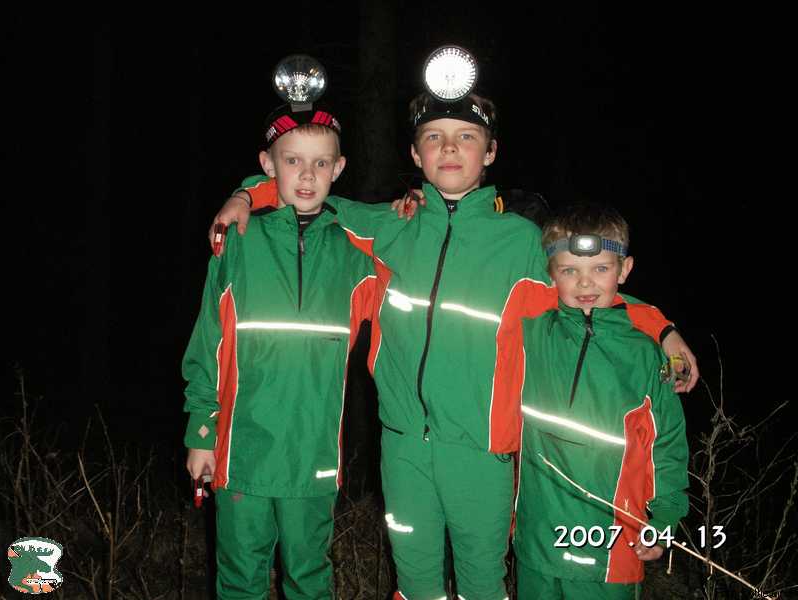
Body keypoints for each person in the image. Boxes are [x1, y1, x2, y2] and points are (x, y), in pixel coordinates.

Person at [209, 89, 693, 599]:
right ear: (415, 155)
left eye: (467, 138)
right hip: (402, 448)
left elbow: (590, 288)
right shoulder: (389, 227)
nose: (449, 148)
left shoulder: (522, 243)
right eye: (434, 138)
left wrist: (660, 327)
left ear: (490, 153)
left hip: (481, 454)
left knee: (481, 583)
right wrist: (246, 193)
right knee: (417, 584)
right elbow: (306, 192)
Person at [182, 96, 376, 599]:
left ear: (339, 168)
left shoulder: (358, 254)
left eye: (320, 163)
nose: (306, 175)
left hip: (313, 456)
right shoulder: (238, 241)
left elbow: (411, 233)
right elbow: (209, 341)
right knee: (240, 579)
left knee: (309, 579)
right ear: (269, 165)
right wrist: (201, 431)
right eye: (292, 161)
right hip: (240, 451)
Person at [504, 204, 688, 599]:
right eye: (569, 270)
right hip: (536, 544)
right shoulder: (533, 333)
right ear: (550, 273)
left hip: (611, 553)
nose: (585, 283)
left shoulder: (645, 356)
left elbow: (667, 448)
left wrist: (666, 519)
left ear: (624, 270)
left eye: (601, 269)